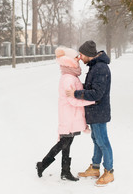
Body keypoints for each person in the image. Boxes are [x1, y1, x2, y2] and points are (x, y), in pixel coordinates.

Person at [36, 46, 95, 181]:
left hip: (71, 115)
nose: (79, 60)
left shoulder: (71, 76)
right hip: (69, 116)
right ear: (69, 61)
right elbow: (73, 101)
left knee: (67, 143)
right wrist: (91, 101)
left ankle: (65, 171)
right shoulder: (69, 78)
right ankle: (43, 164)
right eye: (76, 59)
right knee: (64, 143)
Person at [66, 40, 114, 186]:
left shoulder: (100, 68)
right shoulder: (95, 66)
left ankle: (109, 171)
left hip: (99, 111)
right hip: (95, 112)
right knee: (96, 140)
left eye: (81, 54)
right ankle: (95, 167)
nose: (80, 57)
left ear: (88, 54)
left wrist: (76, 93)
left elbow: (96, 94)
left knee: (103, 142)